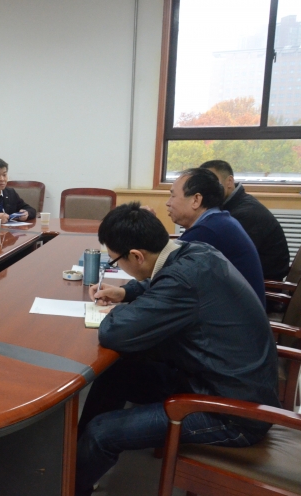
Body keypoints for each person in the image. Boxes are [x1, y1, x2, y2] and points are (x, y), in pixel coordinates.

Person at [75, 203, 279, 496]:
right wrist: (126, 292)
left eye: (115, 261)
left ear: (137, 256)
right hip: (217, 381)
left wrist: (122, 311)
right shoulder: (196, 252)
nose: (116, 267)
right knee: (118, 370)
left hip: (233, 415)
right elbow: (162, 283)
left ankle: (72, 486)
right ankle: (77, 458)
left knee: (102, 432)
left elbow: (115, 332)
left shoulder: (183, 280)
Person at [166, 167, 265, 307]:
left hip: (233, 316)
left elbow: (164, 271)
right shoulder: (219, 221)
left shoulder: (207, 231)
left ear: (196, 200)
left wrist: (147, 229)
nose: (168, 203)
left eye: (173, 196)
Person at [200, 160, 290, 281]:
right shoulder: (234, 204)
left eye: (213, 183)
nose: (207, 190)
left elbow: (222, 259)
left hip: (262, 286)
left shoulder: (245, 214)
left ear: (229, 182)